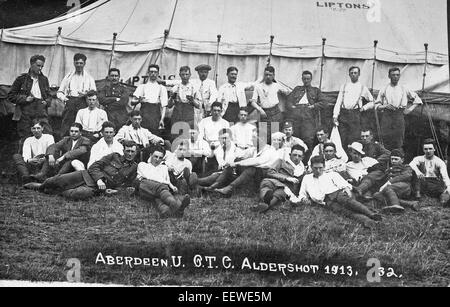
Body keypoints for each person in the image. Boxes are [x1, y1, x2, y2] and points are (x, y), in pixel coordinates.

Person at [24, 141, 138, 200]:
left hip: (97, 188)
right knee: (55, 180)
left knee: (79, 194)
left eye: (132, 152)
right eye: (128, 151)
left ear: (136, 152)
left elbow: (126, 184)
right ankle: (41, 186)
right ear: (123, 150)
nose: (130, 154)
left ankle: (54, 192)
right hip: (85, 175)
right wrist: (99, 179)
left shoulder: (134, 167)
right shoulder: (114, 156)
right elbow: (94, 166)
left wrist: (115, 191)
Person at [299, 155, 382, 228]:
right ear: (311, 167)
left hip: (337, 193)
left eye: (320, 168)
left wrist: (347, 190)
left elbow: (344, 184)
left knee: (347, 202)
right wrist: (304, 199)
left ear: (324, 166)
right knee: (344, 211)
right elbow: (302, 193)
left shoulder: (331, 174)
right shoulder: (307, 178)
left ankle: (371, 213)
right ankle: (366, 220)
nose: (318, 170)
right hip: (326, 201)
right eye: (315, 168)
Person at [208, 132, 288, 196]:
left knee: (251, 168)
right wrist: (228, 162)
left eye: (254, 137)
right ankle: (213, 186)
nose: (251, 139)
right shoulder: (253, 149)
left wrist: (237, 163)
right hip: (254, 173)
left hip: (265, 174)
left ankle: (229, 188)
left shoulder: (270, 150)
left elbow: (257, 161)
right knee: (235, 162)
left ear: (262, 139)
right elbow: (239, 154)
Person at [375, 67, 423, 150]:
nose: (395, 77)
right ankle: (387, 158)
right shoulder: (384, 88)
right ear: (389, 76)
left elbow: (418, 100)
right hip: (387, 115)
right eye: (393, 75)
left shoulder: (404, 88)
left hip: (399, 115)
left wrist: (409, 109)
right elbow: (377, 104)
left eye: (397, 75)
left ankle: (397, 159)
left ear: (399, 76)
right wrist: (384, 106)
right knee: (386, 138)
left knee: (398, 139)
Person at [136, 146, 191, 218]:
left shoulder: (164, 168)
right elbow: (150, 177)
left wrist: (172, 186)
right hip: (145, 188)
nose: (157, 159)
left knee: (159, 199)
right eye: (155, 156)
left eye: (160, 158)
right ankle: (175, 203)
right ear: (150, 155)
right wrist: (167, 184)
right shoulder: (143, 165)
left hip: (159, 192)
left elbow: (167, 180)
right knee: (159, 186)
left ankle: (170, 212)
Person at [8, 54, 53, 139]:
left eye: (42, 66)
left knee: (48, 135)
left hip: (41, 110)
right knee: (26, 137)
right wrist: (25, 99)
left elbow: (49, 96)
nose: (40, 68)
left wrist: (46, 102)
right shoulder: (21, 79)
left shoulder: (44, 79)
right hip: (26, 111)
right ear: (31, 64)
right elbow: (11, 96)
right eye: (38, 65)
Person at [255, 144, 306, 213]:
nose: (296, 157)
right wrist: (286, 178)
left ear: (302, 158)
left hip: (286, 188)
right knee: (267, 186)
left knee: (279, 193)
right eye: (294, 155)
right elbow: (270, 172)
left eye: (299, 156)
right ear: (290, 154)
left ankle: (265, 205)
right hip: (273, 181)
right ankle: (265, 199)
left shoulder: (302, 170)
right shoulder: (281, 162)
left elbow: (304, 184)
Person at [333, 66, 374, 149]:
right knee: (342, 138)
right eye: (351, 73)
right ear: (349, 74)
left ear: (359, 74)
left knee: (353, 138)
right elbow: (338, 102)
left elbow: (373, 102)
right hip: (343, 114)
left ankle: (352, 159)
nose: (353, 75)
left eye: (355, 73)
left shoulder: (363, 87)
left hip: (355, 115)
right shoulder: (344, 86)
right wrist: (335, 116)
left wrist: (364, 108)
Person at [285, 70, 327, 151]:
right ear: (302, 79)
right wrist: (293, 107)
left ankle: (307, 160)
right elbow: (288, 102)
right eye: (304, 79)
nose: (306, 81)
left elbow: (324, 102)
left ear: (311, 79)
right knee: (296, 138)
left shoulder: (316, 90)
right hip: (297, 114)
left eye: (308, 79)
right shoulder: (297, 89)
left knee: (308, 138)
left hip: (309, 115)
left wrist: (313, 106)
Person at [57, 53, 97, 136]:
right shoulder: (68, 77)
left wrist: (86, 94)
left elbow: (94, 93)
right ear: (74, 63)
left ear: (84, 64)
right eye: (77, 63)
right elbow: (59, 92)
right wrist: (65, 99)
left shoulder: (89, 78)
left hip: (83, 103)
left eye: (81, 63)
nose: (79, 65)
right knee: (67, 125)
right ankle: (65, 145)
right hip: (70, 102)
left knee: (82, 125)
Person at [409, 138, 450, 206]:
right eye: (426, 149)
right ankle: (417, 194)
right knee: (417, 167)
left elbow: (445, 176)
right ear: (423, 150)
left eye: (430, 148)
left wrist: (448, 186)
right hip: (422, 183)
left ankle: (443, 199)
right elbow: (411, 164)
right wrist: (418, 172)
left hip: (434, 184)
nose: (428, 151)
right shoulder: (419, 158)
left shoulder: (439, 162)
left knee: (444, 196)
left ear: (434, 149)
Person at [132, 64, 168, 136]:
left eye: (155, 72)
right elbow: (132, 102)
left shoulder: (161, 88)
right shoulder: (142, 87)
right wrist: (139, 100)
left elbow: (164, 106)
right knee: (142, 135)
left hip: (155, 115)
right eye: (151, 72)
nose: (153, 74)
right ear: (148, 73)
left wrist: (162, 119)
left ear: (158, 73)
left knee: (154, 136)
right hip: (144, 114)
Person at [251, 66, 290, 131]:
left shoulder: (276, 85)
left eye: (270, 75)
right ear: (264, 75)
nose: (268, 77)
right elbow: (253, 102)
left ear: (273, 75)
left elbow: (287, 93)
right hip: (264, 113)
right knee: (263, 137)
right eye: (266, 75)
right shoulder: (258, 86)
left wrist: (285, 91)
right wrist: (260, 110)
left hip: (275, 112)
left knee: (275, 136)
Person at [168, 66, 199, 135]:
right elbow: (169, 106)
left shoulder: (194, 88)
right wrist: (171, 98)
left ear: (190, 75)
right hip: (176, 117)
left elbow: (198, 106)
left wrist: (192, 100)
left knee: (188, 137)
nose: (185, 77)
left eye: (187, 74)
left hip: (189, 117)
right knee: (175, 137)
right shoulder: (175, 88)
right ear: (180, 75)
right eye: (183, 74)